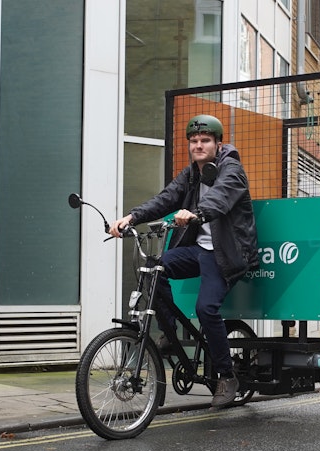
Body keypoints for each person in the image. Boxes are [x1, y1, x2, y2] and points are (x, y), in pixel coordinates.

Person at [109, 114, 259, 408]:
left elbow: (220, 196)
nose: (198, 146)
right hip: (199, 250)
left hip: (226, 254)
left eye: (205, 141)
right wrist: (132, 217)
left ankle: (227, 376)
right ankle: (169, 336)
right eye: (194, 141)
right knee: (154, 268)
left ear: (217, 143)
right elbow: (166, 198)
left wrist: (197, 212)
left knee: (206, 308)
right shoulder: (190, 174)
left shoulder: (232, 170)